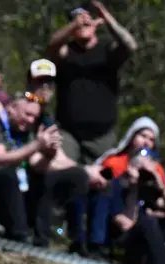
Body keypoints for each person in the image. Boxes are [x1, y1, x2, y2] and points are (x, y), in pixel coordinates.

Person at [0, 94, 91, 245]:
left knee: (46, 178)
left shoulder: (23, 129)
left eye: (34, 117)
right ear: (12, 108)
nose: (31, 120)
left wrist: (49, 151)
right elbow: (0, 159)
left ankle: (49, 236)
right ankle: (19, 235)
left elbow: (34, 163)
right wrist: (37, 145)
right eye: (27, 114)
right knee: (8, 175)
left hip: (9, 184)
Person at [99, 117, 165, 264]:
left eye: (151, 139)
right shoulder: (114, 162)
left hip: (145, 230)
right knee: (147, 221)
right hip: (119, 230)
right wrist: (130, 180)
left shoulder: (155, 170)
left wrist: (159, 185)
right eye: (142, 136)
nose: (146, 142)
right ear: (131, 137)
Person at [47, 1, 136, 164]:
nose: (83, 24)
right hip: (68, 132)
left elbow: (130, 45)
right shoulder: (66, 51)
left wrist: (107, 18)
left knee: (103, 179)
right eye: (77, 21)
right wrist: (74, 25)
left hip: (102, 134)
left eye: (87, 20)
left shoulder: (107, 50)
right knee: (64, 173)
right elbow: (52, 45)